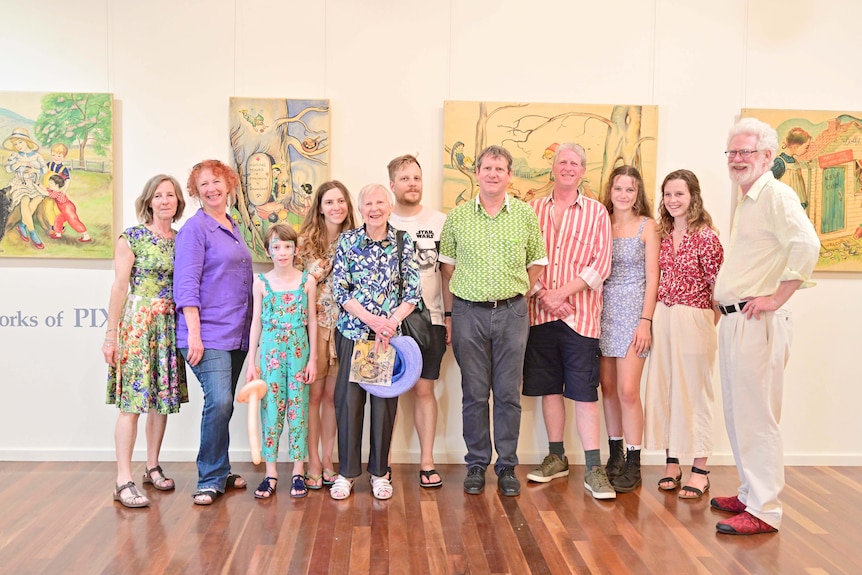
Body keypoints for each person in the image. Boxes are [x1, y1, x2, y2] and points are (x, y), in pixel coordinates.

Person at [711, 118, 819, 535]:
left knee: (758, 417)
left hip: (760, 320)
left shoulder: (775, 195)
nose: (738, 160)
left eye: (747, 152)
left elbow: (807, 244)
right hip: (738, 320)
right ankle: (749, 492)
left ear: (768, 157)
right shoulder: (749, 198)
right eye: (733, 152)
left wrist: (776, 297)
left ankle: (765, 510)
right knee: (740, 415)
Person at [439, 145, 547, 497]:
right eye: (487, 167)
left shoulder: (525, 215)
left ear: (509, 175)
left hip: (512, 313)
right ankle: (475, 463)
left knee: (507, 393)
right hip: (469, 312)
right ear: (477, 173)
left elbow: (537, 262)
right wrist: (452, 315)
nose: (493, 174)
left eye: (500, 168)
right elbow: (448, 269)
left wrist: (518, 294)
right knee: (473, 392)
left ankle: (507, 465)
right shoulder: (457, 217)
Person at [523, 143, 615, 500]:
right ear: (553, 168)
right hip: (540, 315)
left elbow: (600, 264)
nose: (567, 167)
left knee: (583, 393)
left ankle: (594, 469)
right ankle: (556, 456)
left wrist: (562, 294)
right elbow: (525, 259)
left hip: (581, 318)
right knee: (549, 389)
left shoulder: (596, 213)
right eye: (562, 161)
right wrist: (546, 294)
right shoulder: (531, 210)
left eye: (574, 162)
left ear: (582, 170)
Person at [330, 183, 421, 500]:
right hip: (355, 333)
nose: (374, 208)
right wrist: (372, 320)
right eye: (367, 203)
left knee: (383, 405)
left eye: (380, 202)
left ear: (390, 205)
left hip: (387, 339)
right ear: (360, 208)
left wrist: (390, 323)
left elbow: (412, 293)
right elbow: (341, 292)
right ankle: (346, 474)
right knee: (349, 403)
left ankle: (380, 474)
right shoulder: (348, 241)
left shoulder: (402, 241)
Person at [103, 174, 188, 508]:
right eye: (158, 195)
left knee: (160, 401)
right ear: (148, 201)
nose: (165, 200)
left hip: (170, 324)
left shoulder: (182, 240)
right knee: (133, 404)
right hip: (139, 324)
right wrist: (111, 335)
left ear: (179, 202)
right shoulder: (133, 237)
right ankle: (123, 478)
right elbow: (119, 287)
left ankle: (152, 465)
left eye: (171, 195)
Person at [175, 159, 254, 506]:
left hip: (237, 332)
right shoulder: (196, 229)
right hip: (208, 334)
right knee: (219, 401)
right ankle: (209, 477)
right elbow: (187, 283)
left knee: (224, 405)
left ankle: (220, 470)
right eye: (203, 184)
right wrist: (194, 334)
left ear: (229, 185)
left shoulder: (233, 225)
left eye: (216, 181)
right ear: (196, 191)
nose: (211, 188)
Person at [644, 169, 724, 500]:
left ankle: (700, 468)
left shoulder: (706, 237)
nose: (673, 200)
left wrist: (706, 325)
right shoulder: (661, 234)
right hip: (664, 315)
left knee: (695, 391)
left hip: (695, 318)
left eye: (679, 194)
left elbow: (719, 289)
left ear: (693, 196)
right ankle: (672, 462)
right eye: (668, 194)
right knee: (666, 388)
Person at [387, 154, 448, 489]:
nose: (412, 184)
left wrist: (449, 317)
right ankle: (386, 463)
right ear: (392, 185)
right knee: (389, 393)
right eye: (405, 178)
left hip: (431, 319)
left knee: (425, 389)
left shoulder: (440, 221)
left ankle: (427, 461)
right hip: (388, 323)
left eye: (417, 178)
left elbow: (448, 273)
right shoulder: (382, 219)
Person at [598, 165, 659, 493]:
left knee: (628, 391)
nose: (623, 195)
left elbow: (653, 279)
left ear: (638, 194)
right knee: (607, 388)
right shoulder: (600, 223)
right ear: (611, 191)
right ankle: (615, 454)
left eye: (630, 190)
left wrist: (645, 322)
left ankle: (634, 458)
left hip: (634, 316)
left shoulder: (647, 227)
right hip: (602, 313)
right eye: (618, 188)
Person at [246, 223, 318, 499]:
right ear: (268, 251)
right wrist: (252, 361)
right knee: (272, 410)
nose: (282, 252)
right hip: (271, 352)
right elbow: (256, 323)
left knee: (298, 409)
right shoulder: (261, 282)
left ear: (296, 249)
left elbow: (311, 321)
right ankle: (271, 473)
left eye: (287, 246)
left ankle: (298, 471)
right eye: (276, 247)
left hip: (299, 352)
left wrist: (312, 359)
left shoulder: (306, 281)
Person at [296, 180, 356, 489]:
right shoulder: (305, 242)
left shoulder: (356, 241)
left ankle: (330, 458)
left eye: (341, 201)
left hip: (345, 328)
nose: (336, 207)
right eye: (330, 202)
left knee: (335, 398)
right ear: (319, 206)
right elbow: (292, 286)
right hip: (314, 329)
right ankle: (313, 461)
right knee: (313, 397)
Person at [3, 127, 48, 248]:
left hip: (33, 184)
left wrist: (34, 170)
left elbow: (45, 169)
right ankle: (32, 232)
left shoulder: (37, 156)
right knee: (25, 200)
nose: (18, 146)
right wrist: (19, 163)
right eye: (15, 144)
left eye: (20, 142)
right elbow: (7, 168)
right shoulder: (15, 155)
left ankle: (22, 225)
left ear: (27, 141)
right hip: (19, 184)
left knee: (38, 198)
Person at [771, 127, 812, 211]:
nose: (807, 150)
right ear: (795, 146)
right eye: (806, 147)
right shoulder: (779, 162)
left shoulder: (795, 162)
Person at [44, 173, 92, 243]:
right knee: (59, 218)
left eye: (51, 183)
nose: (49, 184)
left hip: (68, 209)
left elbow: (44, 192)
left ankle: (86, 235)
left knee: (73, 221)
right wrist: (38, 185)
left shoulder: (57, 193)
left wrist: (36, 186)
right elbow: (45, 189)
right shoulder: (54, 191)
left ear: (56, 185)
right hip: (65, 209)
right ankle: (58, 233)